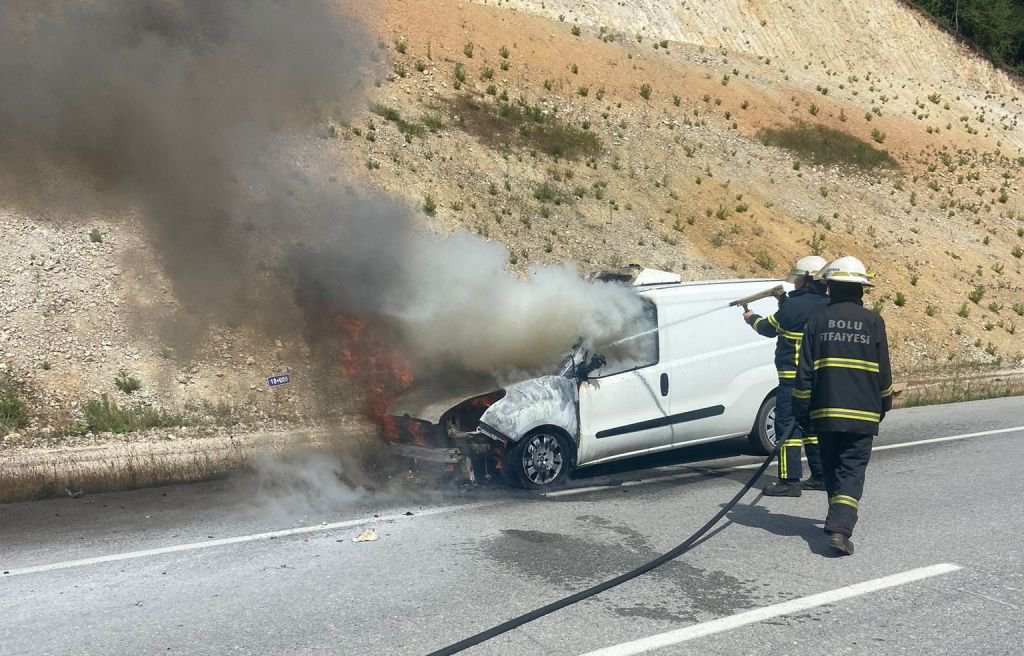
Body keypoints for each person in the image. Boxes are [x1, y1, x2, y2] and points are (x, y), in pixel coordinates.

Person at [793, 256, 893, 556]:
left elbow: (805, 371)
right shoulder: (874, 322)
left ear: (830, 288)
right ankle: (840, 528)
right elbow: (883, 371)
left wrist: (801, 410)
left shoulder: (817, 321)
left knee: (834, 468)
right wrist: (884, 403)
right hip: (862, 414)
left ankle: (836, 519)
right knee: (851, 470)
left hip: (825, 412)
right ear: (861, 290)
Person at [743, 255, 829, 496]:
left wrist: (751, 319)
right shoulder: (829, 304)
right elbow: (795, 321)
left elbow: (769, 327)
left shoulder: (795, 306)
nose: (796, 284)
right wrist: (783, 300)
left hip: (793, 379)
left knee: (787, 427)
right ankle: (821, 475)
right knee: (812, 427)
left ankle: (789, 481)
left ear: (807, 279)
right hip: (821, 380)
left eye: (799, 280)